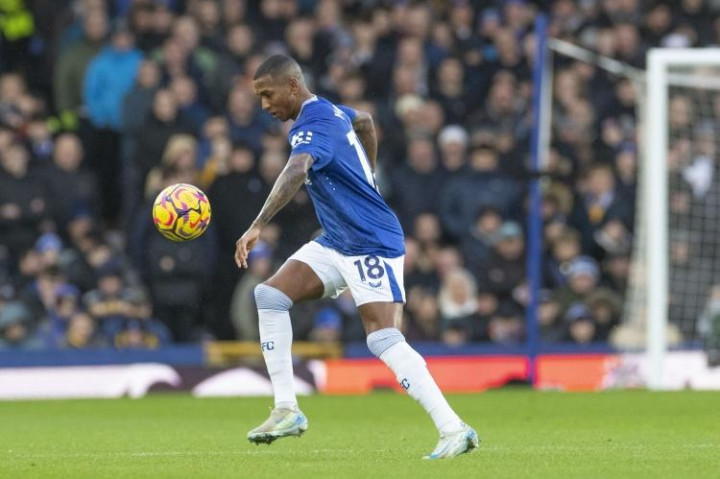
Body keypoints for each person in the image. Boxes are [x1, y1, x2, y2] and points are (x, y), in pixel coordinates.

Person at [234, 55, 478, 459]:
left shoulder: (312, 126)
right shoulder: (331, 111)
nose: (264, 105)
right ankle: (286, 410)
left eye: (268, 94)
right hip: (337, 239)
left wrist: (258, 224)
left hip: (370, 241)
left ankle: (454, 428)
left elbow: (296, 170)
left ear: (292, 85)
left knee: (382, 338)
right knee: (270, 295)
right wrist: (369, 174)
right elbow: (364, 120)